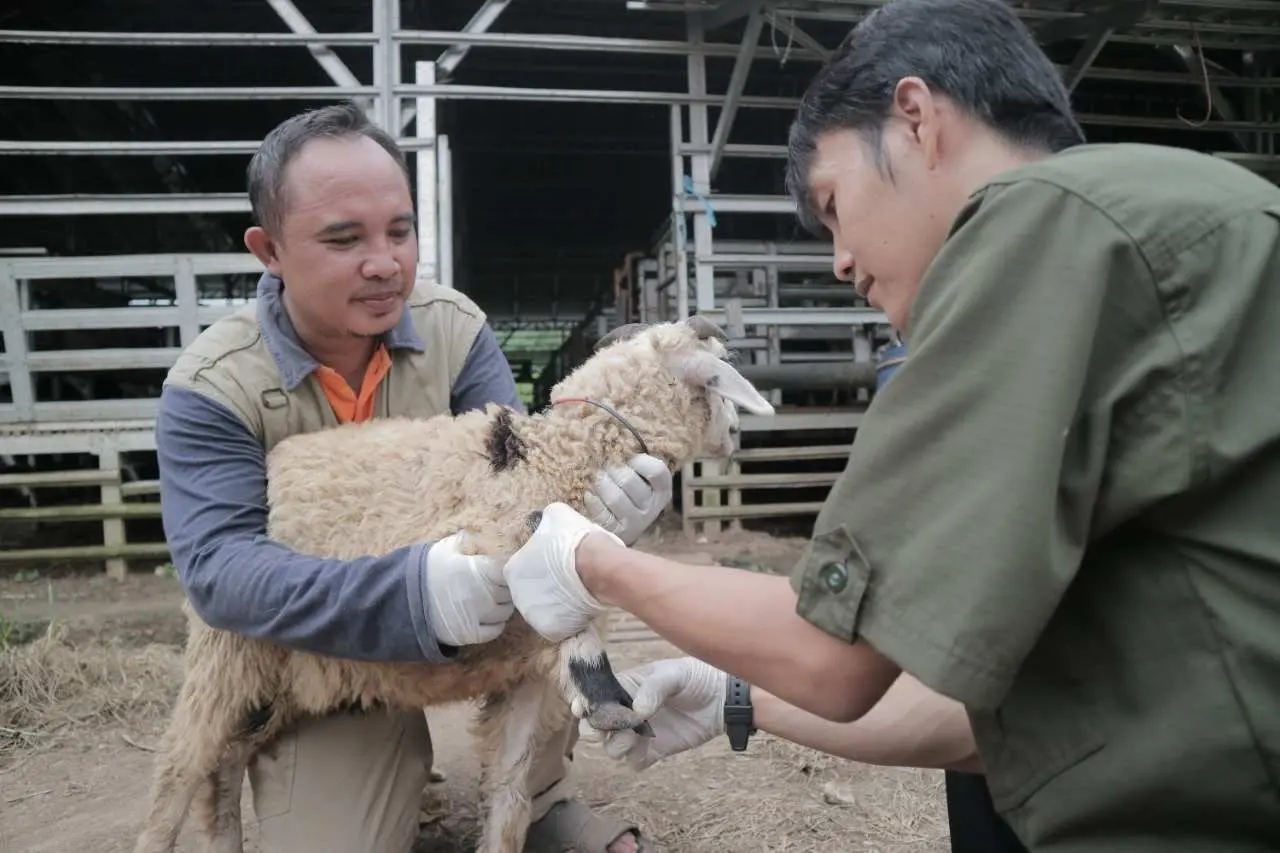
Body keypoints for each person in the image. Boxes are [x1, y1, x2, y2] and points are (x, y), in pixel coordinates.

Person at [494, 0, 1280, 850]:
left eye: (833, 203)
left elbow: (835, 658)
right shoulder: (1165, 217)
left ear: (915, 118)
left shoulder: (1042, 222)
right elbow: (995, 716)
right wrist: (736, 697)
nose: (836, 259)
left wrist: (588, 559)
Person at [154, 102, 669, 853]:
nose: (384, 262)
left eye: (400, 230)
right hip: (323, 657)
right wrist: (408, 594)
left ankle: (540, 796)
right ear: (269, 249)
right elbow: (221, 571)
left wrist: (590, 514)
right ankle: (365, 771)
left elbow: (518, 486)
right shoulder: (213, 387)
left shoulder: (455, 331)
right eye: (343, 238)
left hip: (470, 619)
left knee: (560, 607)